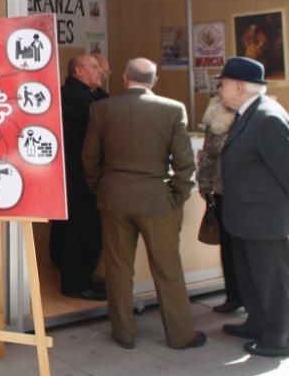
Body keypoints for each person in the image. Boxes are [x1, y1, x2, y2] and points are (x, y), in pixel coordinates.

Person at [82, 58, 206, 350]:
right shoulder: (172, 109)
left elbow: (89, 158)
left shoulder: (102, 108)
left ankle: (124, 332)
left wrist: (100, 187)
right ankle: (180, 335)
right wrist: (178, 195)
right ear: (153, 81)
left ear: (125, 78)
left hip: (114, 198)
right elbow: (185, 163)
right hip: (157, 198)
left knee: (118, 267)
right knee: (167, 269)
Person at [216, 56, 289, 358]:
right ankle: (259, 323)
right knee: (252, 277)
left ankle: (283, 338)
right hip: (246, 215)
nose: (219, 90)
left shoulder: (267, 116)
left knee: (274, 281)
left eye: (221, 84)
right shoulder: (251, 112)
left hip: (263, 216)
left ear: (237, 86)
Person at [49, 55, 106, 301]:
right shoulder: (74, 98)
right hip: (77, 175)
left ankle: (74, 275)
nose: (100, 71)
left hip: (74, 174)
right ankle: (77, 283)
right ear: (78, 71)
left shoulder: (88, 95)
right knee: (79, 230)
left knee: (69, 228)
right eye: (94, 67)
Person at [195, 96, 242, 314]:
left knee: (249, 249)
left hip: (248, 194)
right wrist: (204, 185)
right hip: (222, 192)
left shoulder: (257, 112)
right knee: (229, 247)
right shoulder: (216, 111)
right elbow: (208, 153)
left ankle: (255, 299)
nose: (222, 91)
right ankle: (234, 296)